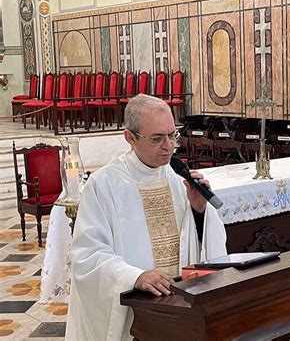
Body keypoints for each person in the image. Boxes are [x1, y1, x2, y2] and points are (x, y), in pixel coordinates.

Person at [65, 94, 227, 340]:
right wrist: (135, 276)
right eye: (157, 138)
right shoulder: (104, 184)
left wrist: (198, 210)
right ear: (130, 137)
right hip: (138, 311)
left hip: (181, 306)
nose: (169, 146)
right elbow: (88, 255)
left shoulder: (177, 179)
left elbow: (207, 249)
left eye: (173, 135)